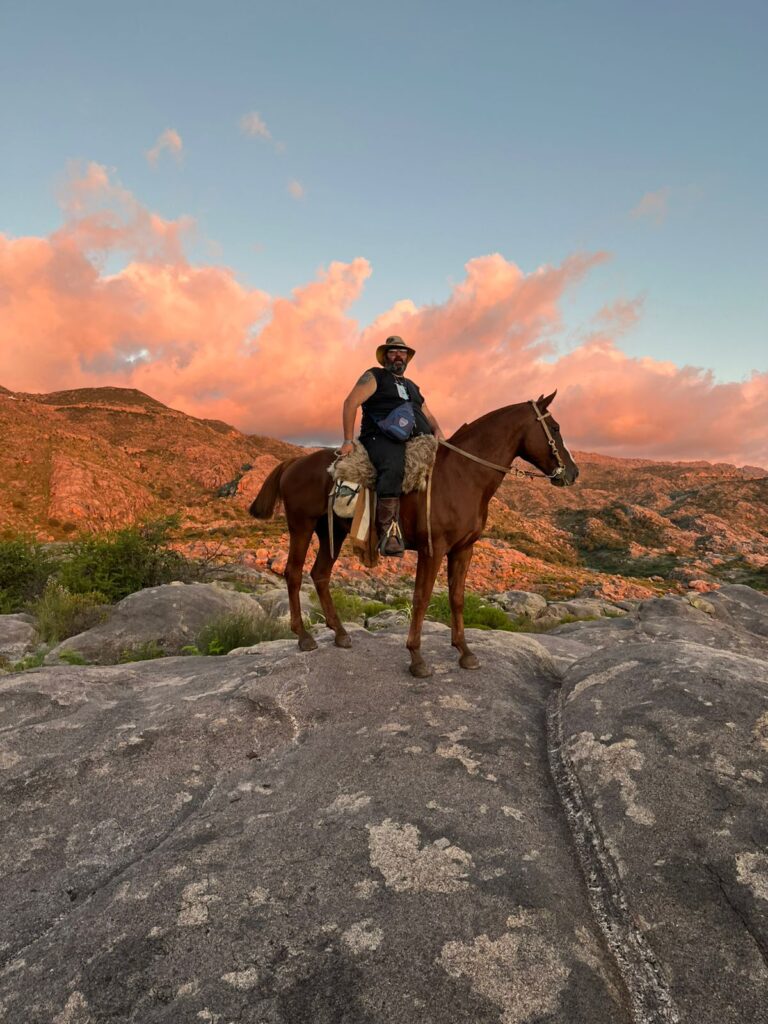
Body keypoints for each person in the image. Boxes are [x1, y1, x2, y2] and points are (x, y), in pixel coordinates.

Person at [340, 336, 445, 556]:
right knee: (393, 465)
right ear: (385, 356)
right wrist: (348, 440)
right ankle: (389, 531)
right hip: (380, 437)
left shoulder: (413, 386)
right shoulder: (374, 376)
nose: (399, 356)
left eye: (402, 352)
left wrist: (436, 429)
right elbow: (350, 403)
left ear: (407, 357)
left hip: (416, 439)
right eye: (393, 351)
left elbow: (428, 413)